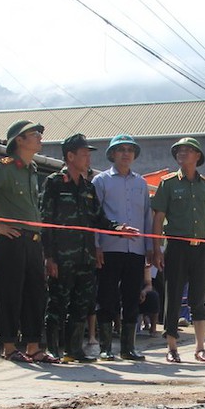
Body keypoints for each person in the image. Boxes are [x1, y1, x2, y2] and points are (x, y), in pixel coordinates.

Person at [40, 134, 137, 363]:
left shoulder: (87, 187)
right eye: (84, 154)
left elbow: (98, 218)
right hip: (62, 257)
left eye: (89, 154)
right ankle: (54, 349)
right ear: (70, 156)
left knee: (81, 304)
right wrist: (49, 257)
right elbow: (45, 221)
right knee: (57, 303)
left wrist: (118, 227)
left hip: (85, 256)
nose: (88, 158)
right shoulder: (54, 182)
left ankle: (75, 349)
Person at [0, 120, 56, 363]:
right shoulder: (3, 167)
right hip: (12, 240)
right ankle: (8, 346)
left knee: (36, 294)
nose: (39, 137)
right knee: (11, 293)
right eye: (34, 134)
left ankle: (33, 346)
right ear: (19, 140)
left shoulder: (32, 169)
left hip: (32, 240)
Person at [152, 137, 205, 364]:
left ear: (197, 156)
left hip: (200, 248)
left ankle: (200, 348)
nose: (182, 154)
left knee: (198, 298)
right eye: (179, 151)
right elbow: (158, 218)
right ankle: (172, 347)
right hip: (176, 247)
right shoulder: (168, 183)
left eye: (188, 150)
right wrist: (156, 248)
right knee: (172, 296)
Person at [90, 134, 153, 361]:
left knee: (132, 298)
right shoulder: (101, 181)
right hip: (108, 248)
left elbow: (147, 216)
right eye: (121, 149)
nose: (126, 153)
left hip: (135, 251)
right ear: (112, 154)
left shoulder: (141, 183)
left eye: (130, 149)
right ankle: (106, 347)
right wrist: (96, 244)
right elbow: (94, 217)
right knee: (106, 297)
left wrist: (149, 247)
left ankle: (128, 347)